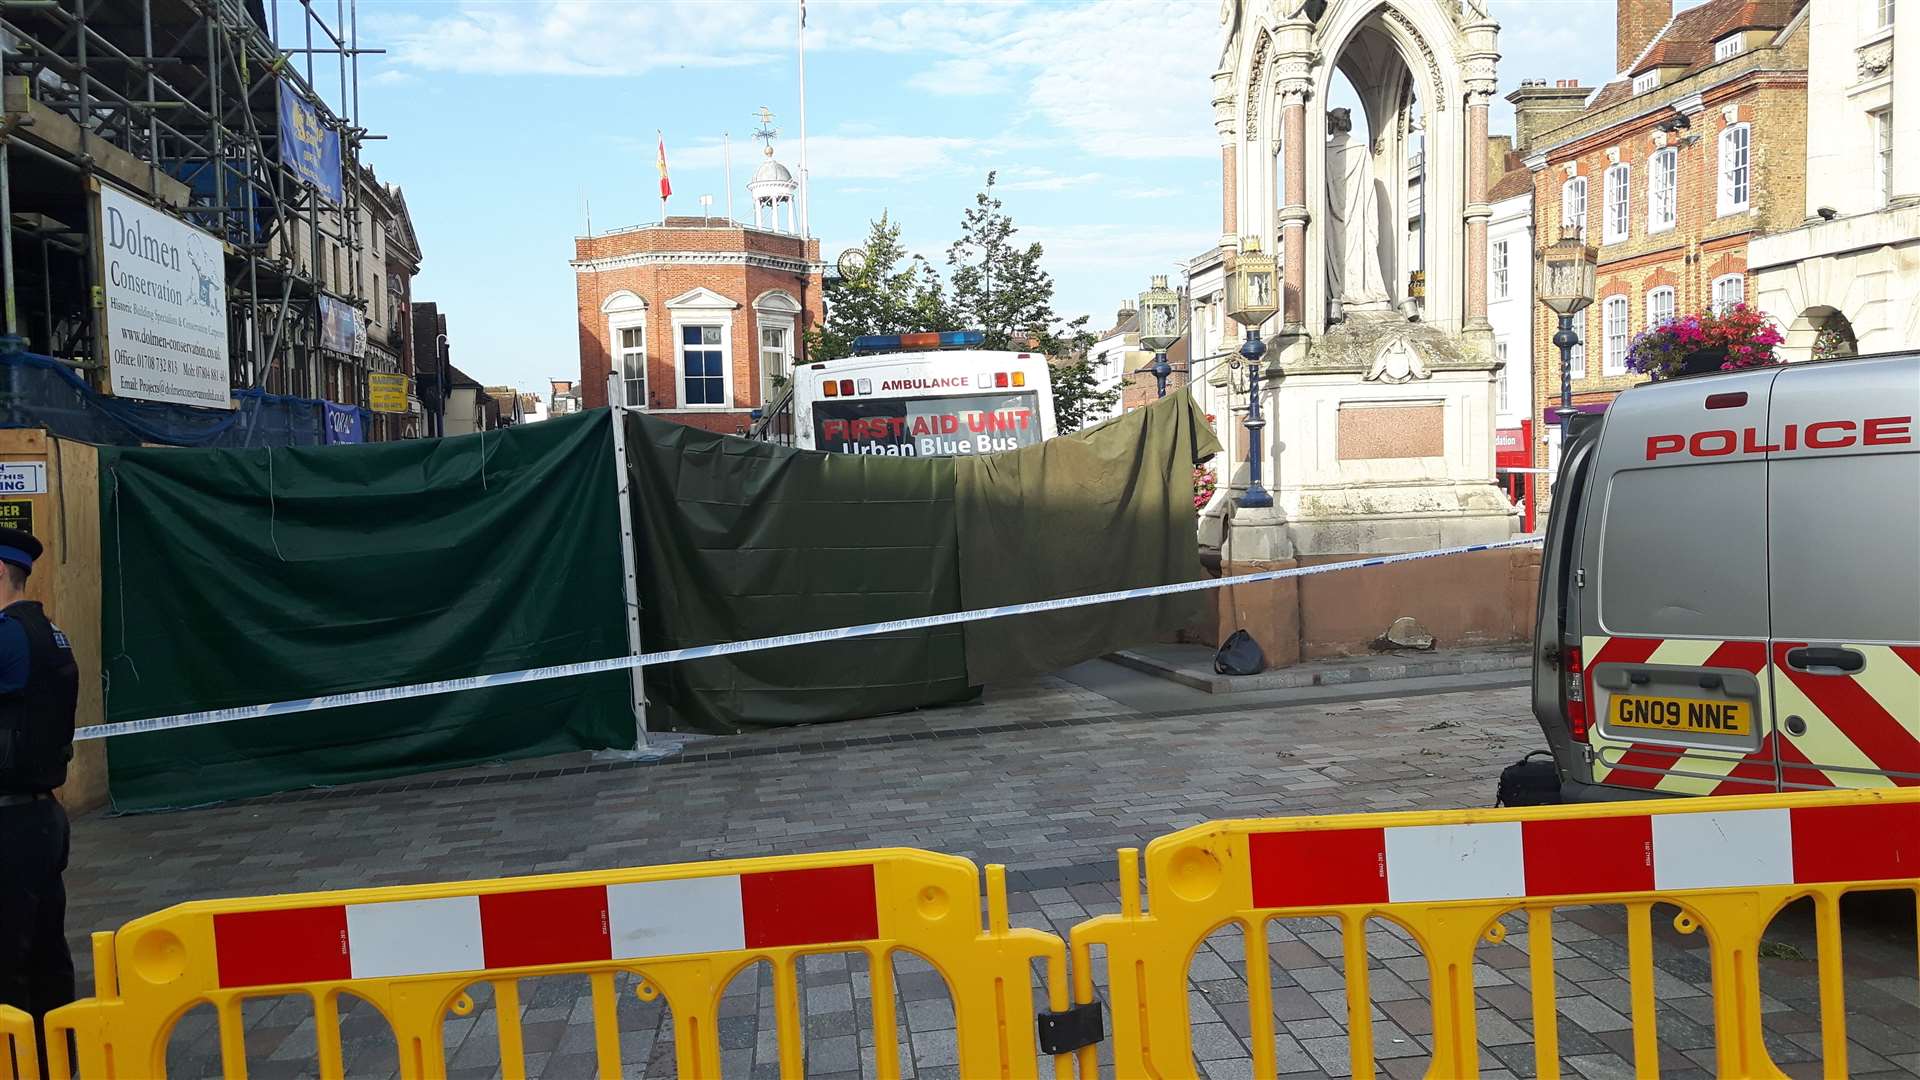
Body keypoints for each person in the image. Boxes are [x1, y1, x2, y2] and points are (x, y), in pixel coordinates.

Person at [0, 526, 79, 1076]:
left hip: (10, 822)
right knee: (45, 950)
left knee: (8, 959)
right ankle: (57, 1059)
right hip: (38, 815)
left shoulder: (7, 635)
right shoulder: (46, 631)